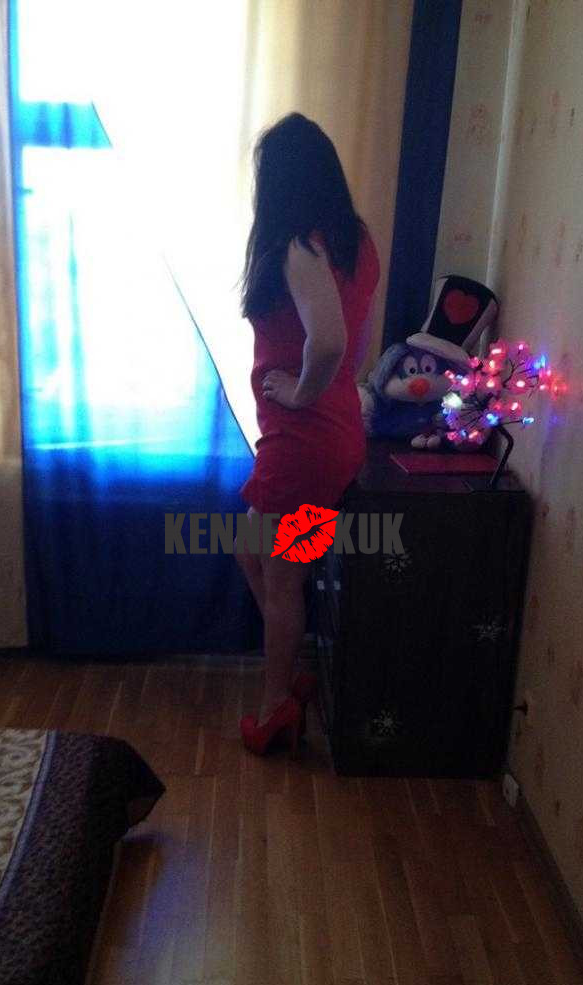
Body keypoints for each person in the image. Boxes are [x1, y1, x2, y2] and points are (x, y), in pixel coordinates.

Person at [235, 112, 379, 756]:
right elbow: (354, 340)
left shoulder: (301, 246)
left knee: (282, 576)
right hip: (327, 434)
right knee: (251, 548)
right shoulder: (354, 243)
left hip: (304, 440)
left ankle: (275, 708)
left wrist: (298, 392)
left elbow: (329, 343)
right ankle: (289, 673)